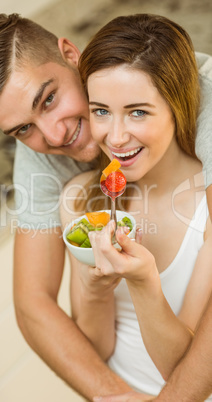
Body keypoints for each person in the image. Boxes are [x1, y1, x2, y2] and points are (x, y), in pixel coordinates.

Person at [0, 13, 212, 401]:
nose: (54, 135)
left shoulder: (201, 103)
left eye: (49, 99)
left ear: (71, 55)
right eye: (22, 129)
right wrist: (111, 395)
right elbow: (34, 304)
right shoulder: (72, 189)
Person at [60, 14, 212, 401]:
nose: (115, 136)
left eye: (138, 112)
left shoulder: (206, 207)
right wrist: (94, 291)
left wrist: (144, 282)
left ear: (177, 106)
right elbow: (95, 351)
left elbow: (186, 371)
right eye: (100, 111)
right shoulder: (80, 200)